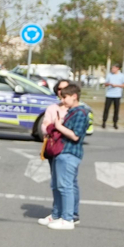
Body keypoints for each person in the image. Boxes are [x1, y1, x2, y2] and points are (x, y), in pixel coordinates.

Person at [40, 81, 90, 230]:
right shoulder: (72, 111)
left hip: (69, 152)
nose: (62, 100)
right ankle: (57, 214)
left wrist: (59, 126)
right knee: (57, 185)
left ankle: (68, 218)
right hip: (61, 152)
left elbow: (76, 135)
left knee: (66, 186)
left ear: (74, 96)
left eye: (65, 97)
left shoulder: (81, 112)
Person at [102, 63, 124, 129]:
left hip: (117, 95)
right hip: (109, 94)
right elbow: (105, 84)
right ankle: (104, 122)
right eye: (112, 68)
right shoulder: (109, 75)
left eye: (114, 68)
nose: (112, 69)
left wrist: (117, 85)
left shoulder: (122, 76)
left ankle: (115, 123)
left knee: (116, 109)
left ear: (117, 68)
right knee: (106, 109)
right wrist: (109, 84)